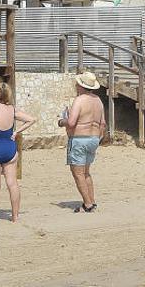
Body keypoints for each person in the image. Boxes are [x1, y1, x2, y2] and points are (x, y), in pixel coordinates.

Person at [0, 83, 37, 224]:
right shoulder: (12, 110)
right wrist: (16, 132)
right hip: (9, 149)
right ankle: (15, 217)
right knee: (12, 184)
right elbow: (32, 119)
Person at [58, 71, 107, 213]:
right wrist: (98, 138)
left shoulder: (79, 100)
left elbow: (72, 122)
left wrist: (61, 121)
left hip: (79, 139)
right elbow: (102, 123)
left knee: (78, 173)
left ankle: (88, 204)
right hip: (93, 139)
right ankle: (91, 201)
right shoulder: (98, 100)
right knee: (86, 172)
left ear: (80, 85)